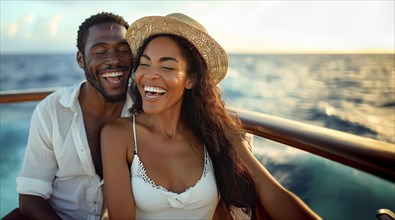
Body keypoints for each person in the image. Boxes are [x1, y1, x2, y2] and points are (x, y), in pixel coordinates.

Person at [101, 13, 321, 219]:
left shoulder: (216, 132)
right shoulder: (118, 136)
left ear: (191, 79)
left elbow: (271, 192)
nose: (150, 75)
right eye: (144, 64)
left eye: (167, 67)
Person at [14, 12, 133, 220]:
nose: (113, 60)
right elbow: (30, 196)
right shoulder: (51, 110)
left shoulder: (143, 111)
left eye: (123, 50)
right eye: (100, 51)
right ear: (81, 59)